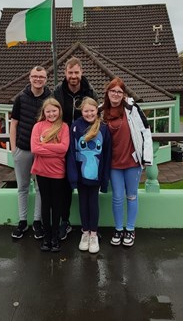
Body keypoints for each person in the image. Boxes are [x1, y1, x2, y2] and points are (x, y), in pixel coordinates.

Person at [101, 77, 153, 247]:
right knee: (117, 197)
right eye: (112, 91)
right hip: (113, 163)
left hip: (132, 160)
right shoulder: (102, 111)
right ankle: (118, 229)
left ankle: (130, 229)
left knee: (131, 196)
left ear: (123, 95)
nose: (115, 94)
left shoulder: (132, 109)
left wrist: (146, 157)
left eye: (119, 92)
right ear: (107, 93)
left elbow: (145, 131)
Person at [53, 57, 98, 240]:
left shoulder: (90, 91)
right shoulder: (58, 91)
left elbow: (95, 115)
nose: (73, 76)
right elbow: (53, 115)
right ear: (65, 73)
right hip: (63, 145)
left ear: (81, 72)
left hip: (85, 147)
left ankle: (91, 228)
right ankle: (65, 222)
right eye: (70, 73)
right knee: (64, 186)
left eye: (76, 72)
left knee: (87, 184)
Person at [10, 66, 51, 240]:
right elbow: (14, 124)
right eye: (35, 76)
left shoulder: (50, 98)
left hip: (42, 152)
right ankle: (22, 221)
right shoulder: (20, 98)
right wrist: (14, 149)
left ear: (46, 79)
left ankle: (37, 221)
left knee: (41, 188)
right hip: (23, 149)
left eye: (41, 77)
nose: (38, 79)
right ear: (30, 78)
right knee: (23, 188)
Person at [67, 97, 111, 254]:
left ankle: (93, 234)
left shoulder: (104, 128)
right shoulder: (75, 126)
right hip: (80, 175)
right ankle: (85, 232)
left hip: (96, 176)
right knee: (82, 204)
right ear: (81, 111)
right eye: (86, 111)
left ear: (96, 111)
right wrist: (72, 177)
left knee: (93, 204)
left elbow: (107, 155)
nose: (89, 113)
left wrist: (104, 179)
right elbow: (71, 153)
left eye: (92, 110)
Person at [31, 98, 70, 252]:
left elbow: (64, 148)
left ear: (59, 111)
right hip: (41, 171)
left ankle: (55, 237)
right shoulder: (38, 126)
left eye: (54, 110)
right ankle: (46, 237)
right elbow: (35, 149)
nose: (52, 114)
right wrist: (54, 149)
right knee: (45, 204)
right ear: (44, 112)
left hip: (58, 172)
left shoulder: (64, 127)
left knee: (57, 205)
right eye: (48, 111)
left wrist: (44, 145)